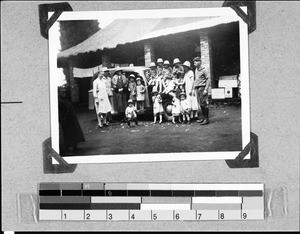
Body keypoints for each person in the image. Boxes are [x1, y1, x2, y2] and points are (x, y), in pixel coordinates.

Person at [58, 85, 85, 155]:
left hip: (71, 120)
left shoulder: (66, 101)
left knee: (74, 134)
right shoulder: (60, 102)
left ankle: (74, 147)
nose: (64, 94)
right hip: (65, 120)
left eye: (64, 93)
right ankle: (67, 149)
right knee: (67, 135)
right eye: (62, 93)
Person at [193, 56, 211, 125]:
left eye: (197, 61)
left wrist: (206, 89)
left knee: (204, 104)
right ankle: (203, 118)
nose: (195, 62)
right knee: (200, 104)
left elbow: (208, 79)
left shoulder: (204, 69)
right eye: (194, 61)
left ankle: (206, 119)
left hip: (202, 88)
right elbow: (196, 80)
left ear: (200, 62)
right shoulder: (196, 70)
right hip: (197, 88)